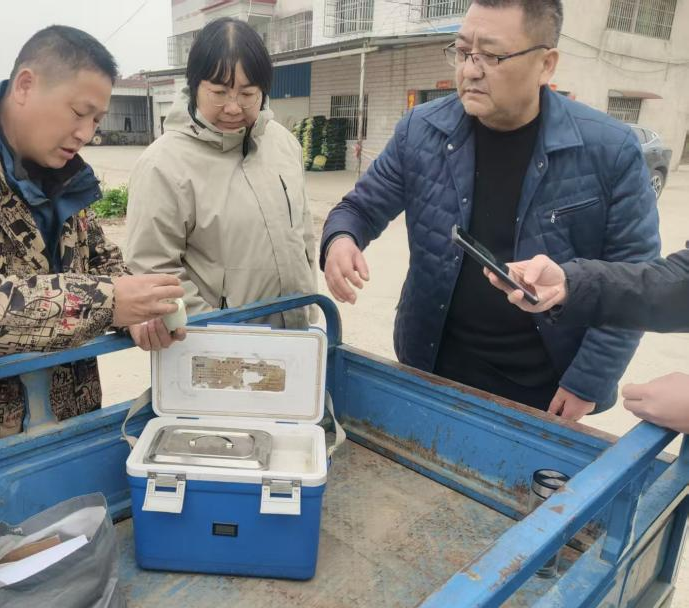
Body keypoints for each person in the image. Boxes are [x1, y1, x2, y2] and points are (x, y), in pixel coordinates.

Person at [320, 0, 660, 419]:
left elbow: (635, 275)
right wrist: (341, 239)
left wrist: (588, 380)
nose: (470, 70)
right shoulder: (421, 130)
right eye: (464, 51)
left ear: (546, 64)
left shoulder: (609, 150)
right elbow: (360, 207)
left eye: (492, 56)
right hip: (432, 364)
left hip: (547, 386)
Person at [0, 25, 184, 470]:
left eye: (96, 120)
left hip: (62, 431)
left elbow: (99, 260)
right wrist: (105, 302)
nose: (86, 133)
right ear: (26, 85)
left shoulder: (59, 171)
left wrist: (139, 311)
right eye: (79, 113)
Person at [125, 17, 317, 350]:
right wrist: (218, 334)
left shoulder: (284, 144)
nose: (232, 107)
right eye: (219, 92)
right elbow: (152, 267)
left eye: (247, 93)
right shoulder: (163, 163)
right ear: (194, 86)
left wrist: (308, 311)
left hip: (294, 339)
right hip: (216, 351)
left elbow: (303, 237)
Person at [484, 248, 689, 433]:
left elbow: (637, 257)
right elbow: (677, 281)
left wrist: (586, 382)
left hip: (543, 379)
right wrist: (570, 285)